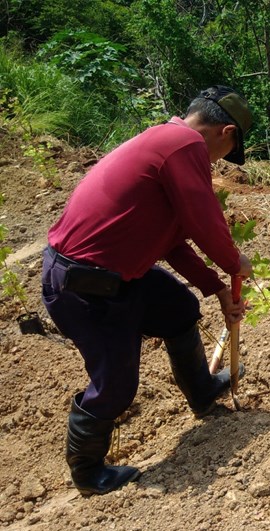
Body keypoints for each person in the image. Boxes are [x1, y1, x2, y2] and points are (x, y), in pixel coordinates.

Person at [41, 85, 256, 496]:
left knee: (177, 306)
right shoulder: (183, 146)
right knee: (115, 385)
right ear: (226, 132)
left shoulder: (162, 142)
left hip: (114, 276)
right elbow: (203, 219)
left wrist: (216, 288)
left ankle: (202, 390)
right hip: (86, 285)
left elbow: (174, 242)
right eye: (228, 152)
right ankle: (88, 473)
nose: (220, 161)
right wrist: (233, 262)